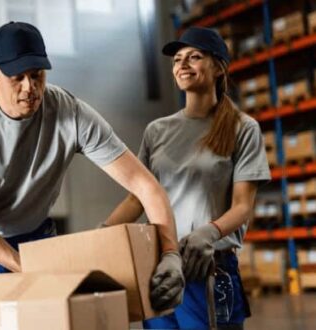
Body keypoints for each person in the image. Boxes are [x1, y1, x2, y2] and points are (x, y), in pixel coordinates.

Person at [0, 21, 184, 329]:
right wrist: (27, 270)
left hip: (34, 241)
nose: (29, 88)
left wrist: (170, 252)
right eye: (17, 78)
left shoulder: (71, 113)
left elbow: (145, 185)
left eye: (37, 75)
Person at [103, 26, 271, 329]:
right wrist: (101, 235)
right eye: (177, 59)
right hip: (161, 270)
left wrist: (209, 232)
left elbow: (243, 206)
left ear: (219, 67)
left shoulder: (243, 129)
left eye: (194, 57)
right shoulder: (157, 131)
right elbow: (136, 198)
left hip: (207, 269)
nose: (182, 64)